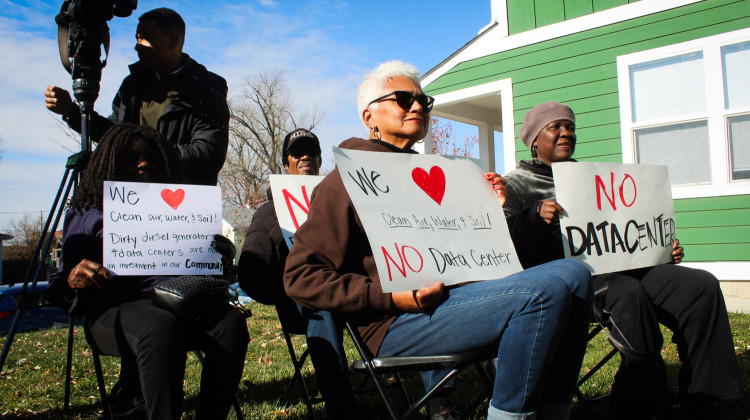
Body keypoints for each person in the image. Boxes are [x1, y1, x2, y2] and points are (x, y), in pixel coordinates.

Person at [283, 61, 594, 420]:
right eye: (402, 99)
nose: (417, 106)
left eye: (423, 100)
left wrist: (491, 212)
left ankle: (554, 412)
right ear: (370, 117)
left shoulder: (440, 175)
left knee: (575, 275)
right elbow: (300, 277)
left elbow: (475, 258)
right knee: (544, 293)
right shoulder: (343, 182)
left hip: (458, 297)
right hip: (397, 320)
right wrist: (389, 297)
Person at [500, 101, 743, 419]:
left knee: (700, 286)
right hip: (568, 281)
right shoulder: (515, 184)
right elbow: (505, 247)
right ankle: (641, 404)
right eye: (555, 127)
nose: (565, 132)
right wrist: (531, 219)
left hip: (621, 269)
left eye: (570, 127)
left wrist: (658, 249)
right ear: (534, 140)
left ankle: (703, 398)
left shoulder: (597, 179)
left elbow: (623, 235)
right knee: (627, 293)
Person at [48, 124, 249, 420]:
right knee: (159, 326)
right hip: (114, 309)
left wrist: (218, 260)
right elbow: (57, 287)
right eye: (132, 158)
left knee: (230, 324)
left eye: (153, 157)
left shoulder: (185, 209)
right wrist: (71, 280)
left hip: (179, 300)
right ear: (112, 162)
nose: (144, 163)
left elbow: (202, 269)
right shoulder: (89, 210)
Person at [237, 128, 355, 418]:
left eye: (311, 151)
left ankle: (432, 394)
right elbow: (250, 273)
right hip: (303, 301)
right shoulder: (267, 214)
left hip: (351, 288)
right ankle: (341, 407)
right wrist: (287, 287)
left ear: (319, 158)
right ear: (285, 162)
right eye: (296, 152)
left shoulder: (343, 200)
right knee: (319, 302)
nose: (305, 156)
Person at [44, 7, 229, 186]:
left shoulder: (206, 90)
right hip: (132, 200)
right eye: (137, 38)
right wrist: (72, 112)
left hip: (181, 206)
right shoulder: (133, 84)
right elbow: (114, 134)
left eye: (145, 39)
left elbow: (208, 154)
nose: (137, 46)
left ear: (173, 41)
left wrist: (150, 156)